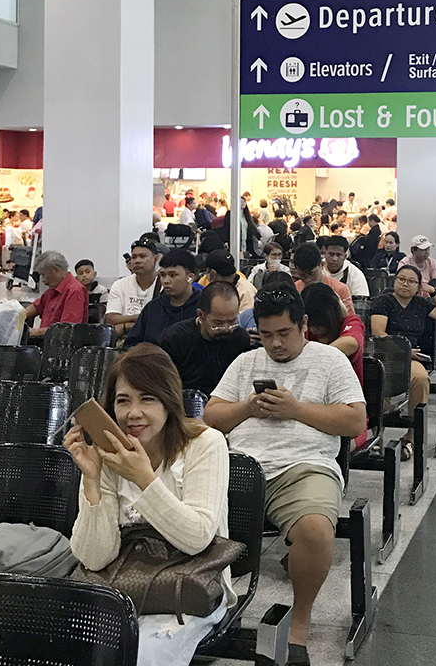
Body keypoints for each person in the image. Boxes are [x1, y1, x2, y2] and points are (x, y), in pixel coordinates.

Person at [205, 288, 366, 663]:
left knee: (315, 531)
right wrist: (247, 407)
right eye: (266, 335)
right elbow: (211, 417)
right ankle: (202, 607)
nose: (275, 344)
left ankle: (300, 623)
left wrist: (295, 409)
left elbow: (355, 420)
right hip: (239, 466)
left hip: (303, 467)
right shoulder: (245, 363)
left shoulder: (329, 361)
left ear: (304, 326)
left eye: (284, 333)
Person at [65, 344, 233, 666]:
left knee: (141, 656)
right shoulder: (107, 453)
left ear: (169, 402)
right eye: (123, 400)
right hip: (122, 585)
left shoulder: (205, 444)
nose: (133, 413)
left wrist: (143, 479)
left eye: (147, 398)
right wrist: (91, 480)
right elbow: (94, 557)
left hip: (188, 590)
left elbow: (197, 538)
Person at [368, 266, 436, 460]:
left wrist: (434, 291)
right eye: (401, 279)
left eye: (411, 281)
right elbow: (378, 333)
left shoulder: (421, 304)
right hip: (386, 353)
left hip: (411, 358)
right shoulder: (384, 301)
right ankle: (376, 436)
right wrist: (403, 350)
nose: (405, 284)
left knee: (421, 378)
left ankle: (412, 435)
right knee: (376, 378)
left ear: (418, 286)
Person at [161, 281, 252, 396]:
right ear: (201, 315)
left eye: (232, 321)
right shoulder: (174, 339)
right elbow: (166, 386)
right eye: (218, 322)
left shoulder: (239, 338)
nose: (226, 328)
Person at [125, 250, 203, 348]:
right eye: (162, 275)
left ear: (190, 277)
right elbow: (131, 344)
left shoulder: (204, 307)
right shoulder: (153, 308)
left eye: (173, 275)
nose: (166, 281)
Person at [18, 251, 89, 338]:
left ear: (55, 270)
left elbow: (66, 329)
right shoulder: (53, 289)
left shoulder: (75, 291)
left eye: (44, 275)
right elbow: (36, 307)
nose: (43, 280)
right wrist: (17, 317)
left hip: (60, 345)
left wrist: (34, 332)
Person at [105, 237, 165, 340]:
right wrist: (142, 319)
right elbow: (111, 318)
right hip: (124, 341)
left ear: (155, 259)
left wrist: (125, 326)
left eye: (143, 256)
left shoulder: (164, 285)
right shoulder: (119, 285)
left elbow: (160, 322)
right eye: (134, 257)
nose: (137, 261)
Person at [292, 242, 354, 314]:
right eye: (303, 275)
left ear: (322, 264)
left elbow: (351, 321)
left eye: (312, 274)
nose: (308, 279)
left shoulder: (340, 289)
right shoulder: (295, 290)